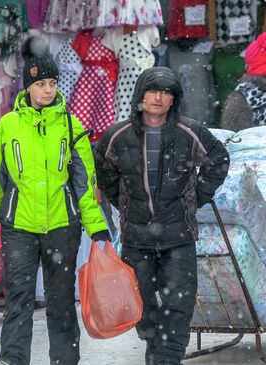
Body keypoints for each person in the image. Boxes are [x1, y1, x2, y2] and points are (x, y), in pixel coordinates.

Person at [0, 36, 110, 365]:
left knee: (61, 300)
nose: (48, 90)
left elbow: (85, 182)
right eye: (41, 84)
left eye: (52, 83)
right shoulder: (8, 125)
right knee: (19, 299)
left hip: (62, 226)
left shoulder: (70, 125)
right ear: (29, 87)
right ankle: (12, 359)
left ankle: (65, 360)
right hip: (18, 226)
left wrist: (96, 226)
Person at [95, 67, 230, 365]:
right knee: (140, 304)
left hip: (178, 235)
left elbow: (218, 160)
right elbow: (103, 171)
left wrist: (197, 198)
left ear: (174, 100)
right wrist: (123, 203)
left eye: (166, 92)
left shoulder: (190, 132)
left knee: (179, 303)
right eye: (152, 91)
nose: (158, 97)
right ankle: (155, 347)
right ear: (140, 96)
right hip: (137, 238)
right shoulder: (117, 135)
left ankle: (168, 359)